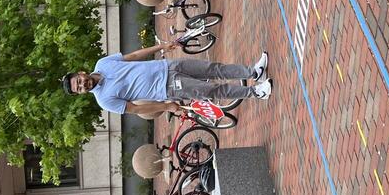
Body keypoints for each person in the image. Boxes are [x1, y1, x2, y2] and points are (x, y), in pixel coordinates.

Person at [64, 43, 272, 119]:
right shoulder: (104, 100)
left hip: (169, 66)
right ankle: (256, 93)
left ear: (81, 73)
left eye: (79, 81)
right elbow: (136, 109)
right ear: (81, 93)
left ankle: (253, 73)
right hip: (168, 87)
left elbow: (133, 56)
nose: (83, 85)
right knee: (213, 90)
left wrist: (161, 47)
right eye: (79, 89)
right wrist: (167, 106)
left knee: (213, 68)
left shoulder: (103, 63)